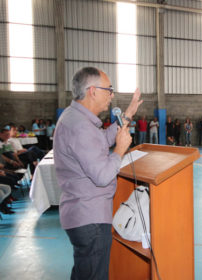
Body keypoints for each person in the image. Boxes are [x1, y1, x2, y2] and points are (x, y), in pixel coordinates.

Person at [53, 67, 142, 280]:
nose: (112, 96)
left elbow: (101, 140)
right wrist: (120, 149)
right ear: (92, 90)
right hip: (90, 218)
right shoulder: (80, 126)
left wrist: (128, 114)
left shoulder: (75, 118)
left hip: (82, 213)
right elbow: (102, 176)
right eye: (108, 90)